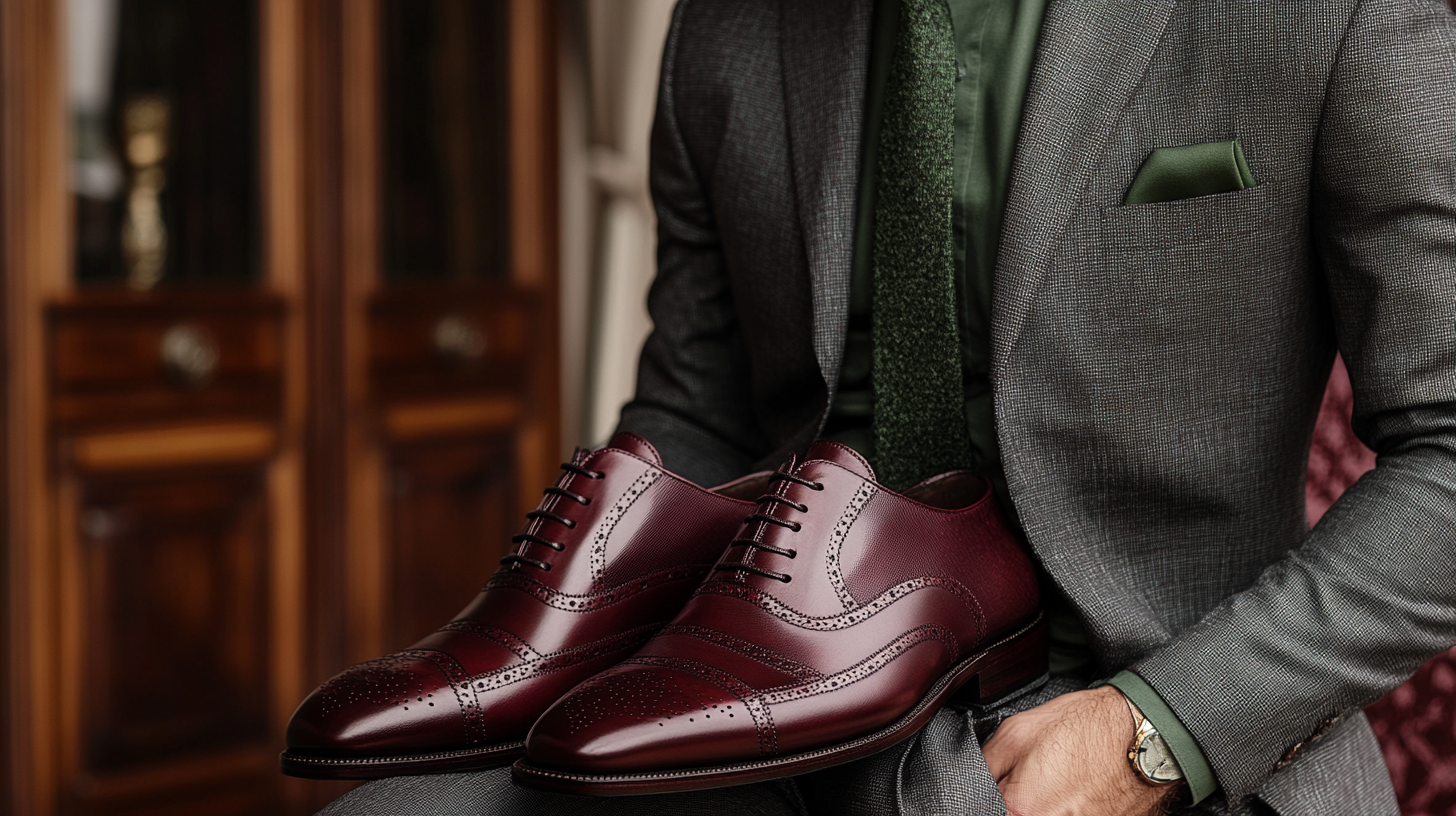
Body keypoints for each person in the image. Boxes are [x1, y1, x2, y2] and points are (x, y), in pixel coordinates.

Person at [321, 0, 1456, 813]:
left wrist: (1155, 734)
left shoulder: (1340, 11)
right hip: (739, 700)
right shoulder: (724, 26)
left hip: (1132, 702)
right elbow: (697, 412)